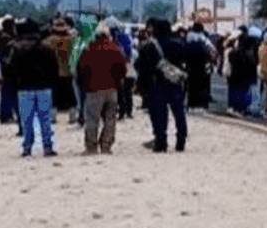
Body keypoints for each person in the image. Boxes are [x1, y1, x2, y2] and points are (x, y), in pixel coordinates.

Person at [5, 19, 59, 156]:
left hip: (24, 88)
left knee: (26, 120)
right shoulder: (46, 47)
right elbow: (54, 68)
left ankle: (27, 147)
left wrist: (14, 85)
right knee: (45, 119)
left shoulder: (16, 47)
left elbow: (10, 68)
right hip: (44, 87)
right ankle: (47, 146)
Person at [136, 19, 189, 153]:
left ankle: (161, 141)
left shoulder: (150, 46)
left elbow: (143, 67)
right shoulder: (178, 45)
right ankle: (181, 140)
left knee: (159, 114)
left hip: (157, 84)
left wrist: (142, 87)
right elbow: (184, 63)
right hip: (175, 83)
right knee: (179, 112)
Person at [77, 22, 127, 155]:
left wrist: (84, 85)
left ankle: (91, 147)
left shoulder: (89, 49)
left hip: (94, 89)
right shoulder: (114, 48)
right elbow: (122, 69)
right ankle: (106, 145)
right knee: (110, 119)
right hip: (112, 89)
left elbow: (81, 69)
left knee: (92, 119)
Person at [44, 18, 78, 123]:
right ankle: (72, 115)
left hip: (54, 70)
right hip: (68, 70)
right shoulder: (72, 40)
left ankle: (53, 116)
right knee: (70, 93)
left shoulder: (49, 41)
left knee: (54, 94)